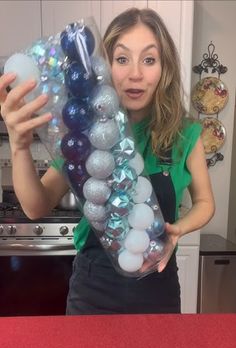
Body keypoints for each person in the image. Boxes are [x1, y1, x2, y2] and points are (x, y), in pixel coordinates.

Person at [0, 8, 215, 315]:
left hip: (159, 290)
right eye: (123, 58)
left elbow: (206, 202)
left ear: (164, 68)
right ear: (104, 65)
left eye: (149, 59)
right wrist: (20, 146)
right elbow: (36, 207)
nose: (135, 73)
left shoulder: (184, 134)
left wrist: (178, 229)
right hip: (93, 291)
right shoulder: (85, 135)